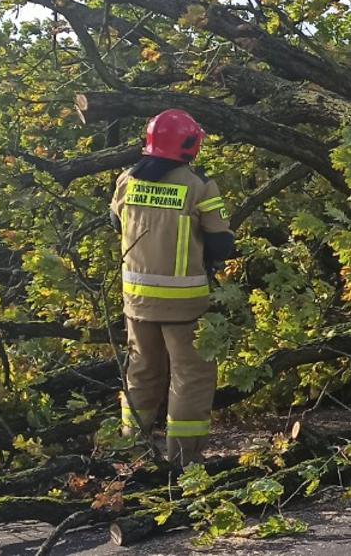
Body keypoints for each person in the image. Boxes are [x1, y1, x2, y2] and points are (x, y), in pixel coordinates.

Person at [111, 109, 235, 466]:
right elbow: (220, 245)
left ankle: (131, 452)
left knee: (141, 372)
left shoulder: (127, 180)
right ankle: (184, 461)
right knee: (190, 377)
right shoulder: (199, 186)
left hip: (137, 302)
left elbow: (115, 223)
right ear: (189, 145)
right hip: (185, 305)